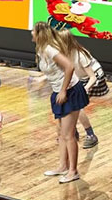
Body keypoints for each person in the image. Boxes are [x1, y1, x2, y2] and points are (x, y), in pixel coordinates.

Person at [32, 21, 88, 184]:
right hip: (58, 92)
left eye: (33, 31)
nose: (31, 34)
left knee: (69, 135)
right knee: (62, 134)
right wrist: (43, 80)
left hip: (71, 92)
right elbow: (54, 72)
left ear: (40, 34)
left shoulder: (50, 50)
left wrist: (63, 90)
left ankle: (73, 171)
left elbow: (69, 67)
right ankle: (63, 166)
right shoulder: (41, 49)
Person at [58, 29, 109, 149]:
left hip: (93, 79)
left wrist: (85, 89)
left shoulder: (80, 54)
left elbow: (93, 77)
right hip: (78, 78)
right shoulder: (61, 54)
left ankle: (91, 135)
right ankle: (71, 131)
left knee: (77, 107)